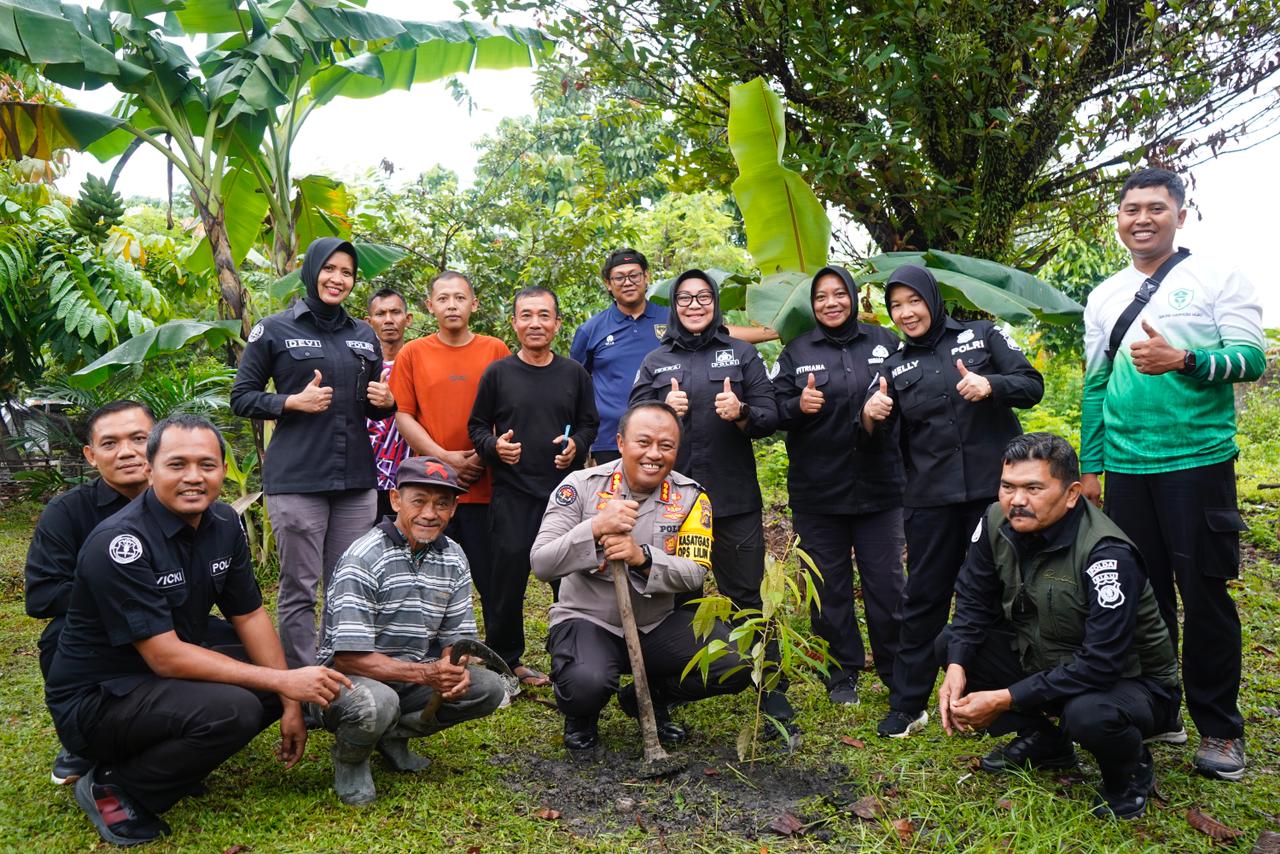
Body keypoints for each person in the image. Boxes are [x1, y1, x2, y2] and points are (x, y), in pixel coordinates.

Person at [45, 415, 352, 846]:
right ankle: (116, 785)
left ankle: (168, 759)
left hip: (158, 680)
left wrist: (288, 702)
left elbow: (249, 615)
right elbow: (165, 656)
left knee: (266, 682)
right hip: (99, 698)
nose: (194, 477)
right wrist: (286, 681)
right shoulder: (121, 543)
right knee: (234, 708)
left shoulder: (223, 523)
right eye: (177, 465)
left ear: (224, 471)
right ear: (150, 470)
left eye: (207, 465)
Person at [1080, 167, 1266, 781]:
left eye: (1156, 208)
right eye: (1131, 208)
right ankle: (1160, 710)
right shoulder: (1105, 295)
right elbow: (1096, 386)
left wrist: (1183, 359)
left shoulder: (1216, 279)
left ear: (1180, 214)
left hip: (1198, 463)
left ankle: (1220, 729)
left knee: (1205, 596)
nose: (1142, 218)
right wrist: (1091, 466)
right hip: (1126, 470)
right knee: (1142, 596)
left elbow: (1252, 359)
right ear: (1118, 219)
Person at [938, 433, 1181, 820]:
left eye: (1033, 488)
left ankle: (1129, 768)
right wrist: (956, 667)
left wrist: (1003, 699)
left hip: (1130, 681)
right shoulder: (996, 521)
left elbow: (1101, 664)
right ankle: (1046, 741)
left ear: (1071, 494)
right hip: (1049, 655)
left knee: (1089, 714)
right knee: (953, 645)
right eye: (1008, 487)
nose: (1017, 500)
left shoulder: (1106, 553)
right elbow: (971, 601)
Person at [862, 263, 1043, 738]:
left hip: (997, 497)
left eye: (913, 301)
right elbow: (867, 430)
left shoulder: (983, 336)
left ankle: (1016, 697)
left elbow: (1031, 385)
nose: (905, 313)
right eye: (895, 305)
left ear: (932, 299)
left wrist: (991, 385)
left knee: (1011, 594)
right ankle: (908, 704)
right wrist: (870, 413)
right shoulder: (892, 366)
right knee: (923, 598)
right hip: (930, 500)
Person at [628, 270, 796, 739]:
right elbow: (635, 418)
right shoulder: (657, 359)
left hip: (732, 497)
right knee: (676, 600)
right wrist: (665, 406)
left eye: (704, 297)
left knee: (748, 598)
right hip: (671, 505)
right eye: (685, 297)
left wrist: (740, 412)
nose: (695, 304)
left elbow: (771, 415)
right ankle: (665, 693)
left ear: (715, 304)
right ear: (675, 306)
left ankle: (772, 694)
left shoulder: (741, 354)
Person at [532, 402, 752, 751]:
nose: (654, 454)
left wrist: (642, 559)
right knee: (586, 683)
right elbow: (542, 563)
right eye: (643, 442)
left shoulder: (692, 498)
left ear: (677, 451)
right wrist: (594, 528)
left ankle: (646, 696)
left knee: (734, 662)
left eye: (666, 446)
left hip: (655, 624)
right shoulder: (581, 486)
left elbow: (695, 574)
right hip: (588, 618)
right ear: (620, 442)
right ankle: (581, 714)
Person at [231, 237, 397, 668]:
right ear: (312, 271)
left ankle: (338, 673)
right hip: (299, 478)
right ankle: (303, 685)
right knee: (301, 587)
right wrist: (289, 402)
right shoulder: (275, 328)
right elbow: (242, 397)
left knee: (347, 585)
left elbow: (372, 406)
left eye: (347, 273)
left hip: (356, 482)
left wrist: (386, 402)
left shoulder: (364, 334)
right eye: (330, 269)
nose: (337, 279)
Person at [314, 456, 506, 805]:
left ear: (454, 508)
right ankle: (350, 760)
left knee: (488, 688)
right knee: (377, 702)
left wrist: (453, 668)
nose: (430, 513)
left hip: (412, 678)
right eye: (419, 500)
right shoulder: (365, 556)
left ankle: (392, 737)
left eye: (442, 503)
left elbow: (455, 638)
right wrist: (427, 673)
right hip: (344, 681)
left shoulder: (454, 557)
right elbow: (347, 658)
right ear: (395, 500)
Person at [772, 266, 906, 705]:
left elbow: (910, 399)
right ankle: (841, 672)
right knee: (827, 587)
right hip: (818, 492)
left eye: (838, 294)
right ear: (812, 305)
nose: (831, 303)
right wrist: (797, 404)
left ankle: (894, 669)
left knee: (886, 585)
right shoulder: (795, 351)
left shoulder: (885, 343)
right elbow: (768, 410)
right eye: (821, 297)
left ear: (853, 296)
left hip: (880, 488)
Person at [468, 286, 599, 687]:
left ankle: (573, 657)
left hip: (564, 497)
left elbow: (589, 423)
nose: (535, 323)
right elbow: (476, 426)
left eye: (544, 315)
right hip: (512, 494)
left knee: (572, 582)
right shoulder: (498, 374)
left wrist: (576, 445)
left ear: (558, 324)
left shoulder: (574, 373)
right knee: (506, 580)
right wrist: (495, 448)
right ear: (514, 324)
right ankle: (507, 663)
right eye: (526, 315)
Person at [25, 400, 154, 786]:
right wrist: (125, 599)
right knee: (58, 636)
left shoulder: (186, 503)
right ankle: (81, 736)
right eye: (110, 443)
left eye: (139, 439)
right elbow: (42, 596)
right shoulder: (67, 513)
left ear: (159, 442)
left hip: (176, 624)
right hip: (99, 633)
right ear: (91, 455)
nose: (127, 451)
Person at [390, 271, 511, 598]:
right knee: (423, 581)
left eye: (460, 298)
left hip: (484, 486)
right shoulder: (412, 353)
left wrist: (482, 457)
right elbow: (404, 415)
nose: (452, 305)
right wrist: (444, 460)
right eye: (443, 299)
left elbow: (508, 412)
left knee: (492, 581)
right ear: (430, 306)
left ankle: (501, 650)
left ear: (474, 303)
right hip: (429, 485)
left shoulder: (495, 350)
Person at [571, 248, 667, 465]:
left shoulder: (671, 320)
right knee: (614, 499)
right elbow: (575, 385)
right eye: (619, 277)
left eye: (634, 275)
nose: (628, 282)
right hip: (610, 440)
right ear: (608, 283)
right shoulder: (591, 330)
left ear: (646, 277)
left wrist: (763, 332)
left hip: (664, 436)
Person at [366, 287, 414, 521]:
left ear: (408, 319)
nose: (388, 320)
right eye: (380, 314)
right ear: (369, 321)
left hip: (410, 477)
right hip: (365, 479)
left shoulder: (419, 362)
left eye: (395, 313)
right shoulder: (359, 364)